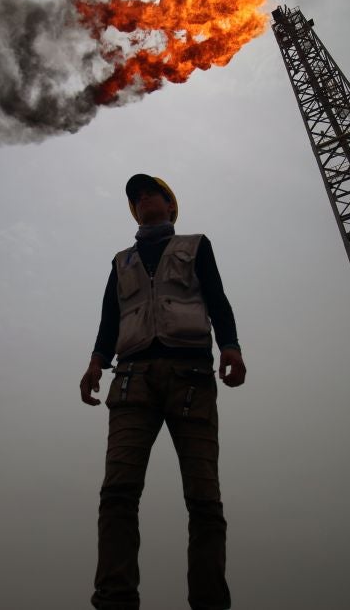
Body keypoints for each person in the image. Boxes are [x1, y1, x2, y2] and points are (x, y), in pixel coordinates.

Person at [80, 173, 247, 610]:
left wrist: (231, 346)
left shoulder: (195, 246)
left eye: (151, 192)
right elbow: (108, 320)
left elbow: (217, 298)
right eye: (136, 198)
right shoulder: (122, 261)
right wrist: (96, 361)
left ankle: (209, 602)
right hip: (131, 380)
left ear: (171, 207)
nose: (143, 198)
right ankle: (115, 599)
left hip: (190, 377)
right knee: (117, 492)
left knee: (204, 499)